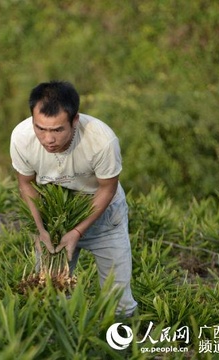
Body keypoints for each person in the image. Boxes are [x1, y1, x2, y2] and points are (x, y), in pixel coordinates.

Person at [10, 80, 137, 317]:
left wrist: (78, 231)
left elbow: (107, 189)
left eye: (57, 130)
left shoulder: (101, 140)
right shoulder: (21, 137)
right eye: (40, 128)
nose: (48, 139)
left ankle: (122, 348)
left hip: (103, 216)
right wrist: (41, 229)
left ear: (74, 120)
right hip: (55, 217)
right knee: (49, 295)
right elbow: (25, 183)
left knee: (118, 303)